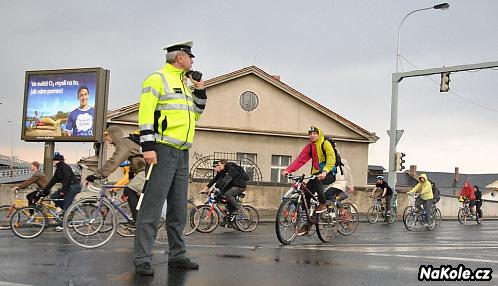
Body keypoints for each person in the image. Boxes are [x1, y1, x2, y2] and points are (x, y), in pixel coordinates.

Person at [134, 40, 206, 275]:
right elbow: (145, 114)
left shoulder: (185, 84)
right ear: (179, 57)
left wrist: (199, 90)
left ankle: (177, 255)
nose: (193, 60)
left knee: (178, 208)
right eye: (190, 56)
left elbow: (195, 116)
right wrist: (148, 146)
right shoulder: (157, 79)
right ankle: (143, 258)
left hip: (182, 152)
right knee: (152, 207)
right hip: (162, 150)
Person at [281, 126, 337, 235]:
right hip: (316, 175)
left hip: (329, 173)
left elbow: (331, 158)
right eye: (310, 133)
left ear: (319, 134)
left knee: (317, 181)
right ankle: (307, 225)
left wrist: (325, 171)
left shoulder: (325, 143)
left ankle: (322, 204)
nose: (312, 135)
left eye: (315, 133)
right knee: (305, 194)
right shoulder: (310, 147)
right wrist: (288, 170)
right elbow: (300, 160)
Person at [42, 153, 81, 231]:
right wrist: (45, 190)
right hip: (68, 187)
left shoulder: (64, 167)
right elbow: (53, 181)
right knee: (53, 196)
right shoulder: (59, 169)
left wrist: (63, 191)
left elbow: (67, 179)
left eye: (54, 161)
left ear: (57, 161)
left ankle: (64, 224)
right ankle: (68, 211)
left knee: (66, 203)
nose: (53, 163)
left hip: (73, 186)